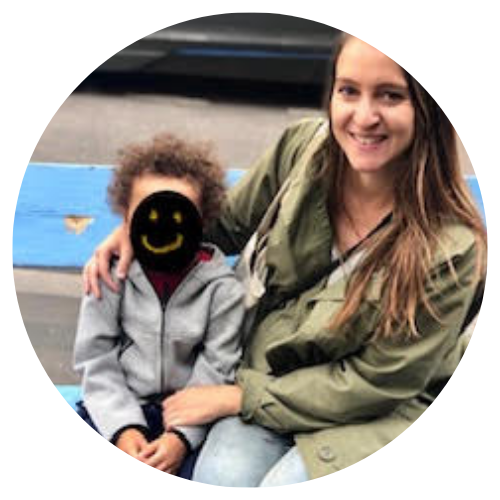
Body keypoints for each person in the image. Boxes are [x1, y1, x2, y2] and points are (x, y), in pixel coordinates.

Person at [83, 34, 487, 486]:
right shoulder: (304, 151)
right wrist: (141, 229)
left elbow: (376, 383)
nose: (364, 116)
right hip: (266, 376)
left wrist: (240, 398)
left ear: (429, 109)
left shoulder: (451, 248)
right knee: (220, 476)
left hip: (376, 413)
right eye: (349, 91)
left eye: (390, 96)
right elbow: (220, 227)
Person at [74, 134, 245, 477]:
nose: (164, 227)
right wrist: (123, 429)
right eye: (149, 213)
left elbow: (218, 368)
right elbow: (96, 359)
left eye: (179, 216)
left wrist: (180, 437)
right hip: (117, 407)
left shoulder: (223, 291)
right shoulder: (110, 277)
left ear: (203, 220)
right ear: (127, 218)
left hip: (189, 418)